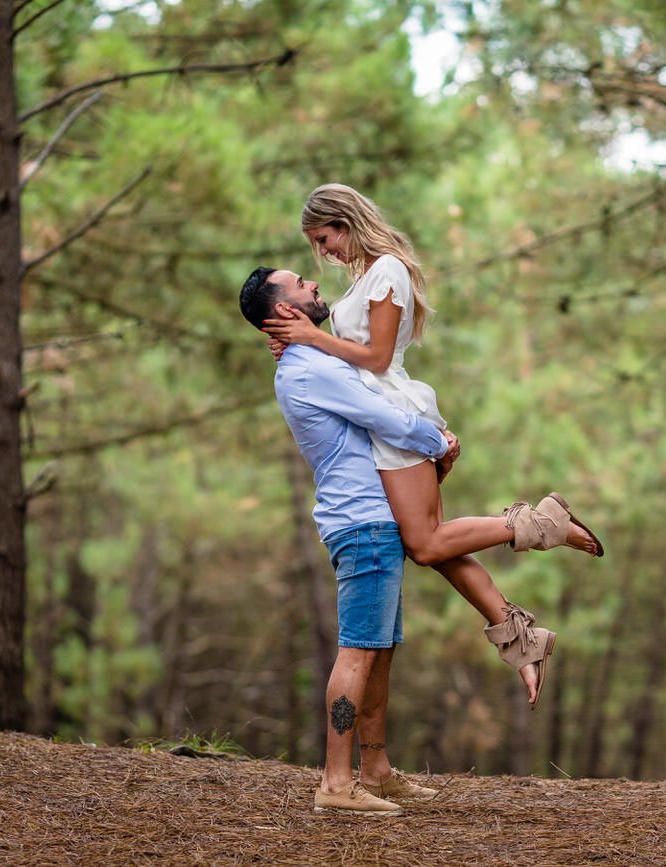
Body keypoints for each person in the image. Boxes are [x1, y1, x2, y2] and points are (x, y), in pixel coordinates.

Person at [262, 183, 603, 706]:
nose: (323, 252)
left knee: (425, 543)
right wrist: (295, 341)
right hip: (378, 419)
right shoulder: (362, 280)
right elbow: (343, 351)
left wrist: (310, 339)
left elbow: (374, 357)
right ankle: (520, 637)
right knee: (436, 544)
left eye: (324, 238)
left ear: (346, 223)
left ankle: (543, 524)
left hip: (394, 417)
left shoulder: (388, 271)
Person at [240, 266, 449, 815]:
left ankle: (375, 771)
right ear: (284, 310)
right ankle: (335, 783)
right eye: (302, 283)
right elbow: (387, 419)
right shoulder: (310, 369)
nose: (314, 286)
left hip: (367, 521)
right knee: (357, 652)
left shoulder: (310, 360)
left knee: (378, 652)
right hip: (363, 524)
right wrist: (439, 439)